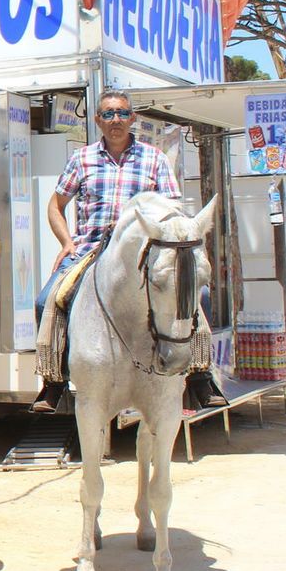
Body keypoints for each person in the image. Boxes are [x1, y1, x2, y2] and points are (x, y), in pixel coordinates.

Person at [32, 90, 226, 413]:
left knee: (195, 297)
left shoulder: (155, 159)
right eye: (108, 114)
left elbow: (174, 210)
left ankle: (199, 376)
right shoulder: (82, 160)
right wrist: (67, 242)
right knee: (46, 299)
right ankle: (54, 381)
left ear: (132, 118)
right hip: (91, 252)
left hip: (145, 259)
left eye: (122, 113)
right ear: (98, 121)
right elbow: (56, 205)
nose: (116, 120)